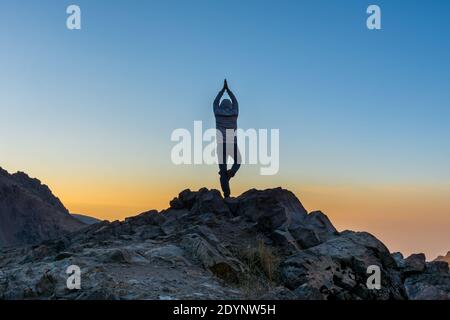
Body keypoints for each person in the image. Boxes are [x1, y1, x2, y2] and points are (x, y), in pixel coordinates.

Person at [213, 79, 241, 198]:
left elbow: (215, 102)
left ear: (221, 105)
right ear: (230, 106)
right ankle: (232, 172)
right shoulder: (234, 113)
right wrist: (228, 90)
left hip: (220, 145)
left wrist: (221, 91)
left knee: (222, 171)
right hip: (232, 144)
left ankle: (227, 195)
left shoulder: (217, 112)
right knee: (238, 161)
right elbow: (235, 101)